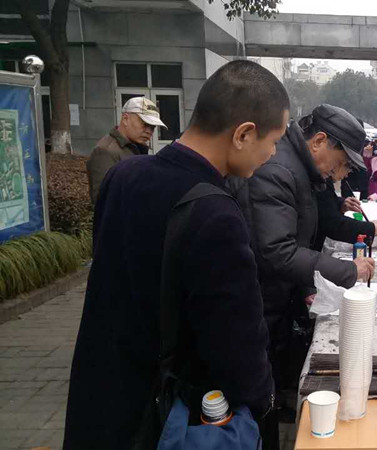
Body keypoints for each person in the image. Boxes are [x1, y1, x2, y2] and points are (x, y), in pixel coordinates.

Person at [64, 60, 290, 449]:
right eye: (274, 141)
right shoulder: (214, 213)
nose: (272, 153)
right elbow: (236, 345)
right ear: (243, 134)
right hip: (163, 422)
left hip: (99, 398)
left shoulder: (123, 176)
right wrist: (263, 401)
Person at [228, 104, 376, 420]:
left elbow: (299, 235)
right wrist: (348, 270)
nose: (340, 173)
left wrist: (308, 285)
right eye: (342, 163)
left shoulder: (299, 166)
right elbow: (277, 250)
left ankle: (275, 407)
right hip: (259, 297)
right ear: (319, 141)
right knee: (257, 393)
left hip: (277, 293)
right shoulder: (278, 169)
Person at [86, 96, 166, 204]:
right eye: (145, 124)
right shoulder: (105, 151)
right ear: (125, 119)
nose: (149, 131)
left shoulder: (137, 147)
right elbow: (103, 201)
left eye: (153, 127)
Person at [312, 161, 377, 253]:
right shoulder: (320, 177)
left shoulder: (324, 178)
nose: (346, 175)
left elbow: (325, 204)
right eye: (347, 168)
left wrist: (341, 204)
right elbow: (332, 223)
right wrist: (370, 229)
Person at [341, 118, 371, 200]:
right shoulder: (345, 144)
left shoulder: (368, 145)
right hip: (348, 182)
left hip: (363, 183)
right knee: (348, 204)